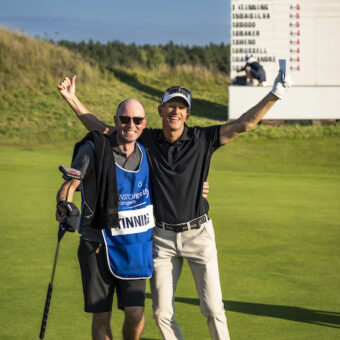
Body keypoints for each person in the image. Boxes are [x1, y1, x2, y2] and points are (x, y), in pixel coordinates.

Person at [58, 72, 291, 339]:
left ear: (187, 114)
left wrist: (274, 95)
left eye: (181, 107)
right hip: (162, 239)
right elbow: (103, 129)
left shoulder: (203, 139)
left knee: (213, 309)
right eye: (171, 105)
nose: (176, 111)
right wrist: (72, 99)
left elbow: (242, 124)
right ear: (160, 110)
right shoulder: (146, 140)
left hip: (198, 235)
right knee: (161, 313)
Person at [55, 96, 153, 340]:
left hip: (135, 247)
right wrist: (64, 206)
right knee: (101, 316)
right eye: (125, 119)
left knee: (135, 313)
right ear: (115, 120)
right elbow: (69, 186)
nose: (131, 125)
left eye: (137, 120)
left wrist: (200, 187)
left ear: (144, 122)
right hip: (96, 244)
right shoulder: (94, 149)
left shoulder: (149, 150)